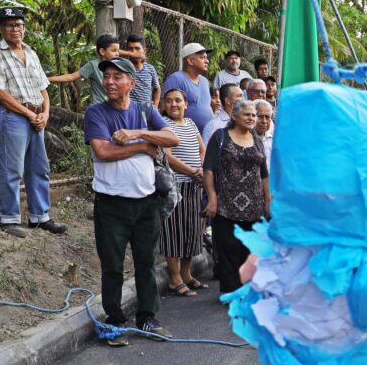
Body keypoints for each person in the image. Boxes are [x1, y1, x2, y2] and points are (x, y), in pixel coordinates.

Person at [84, 57, 180, 345]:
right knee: (112, 265)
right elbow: (103, 151)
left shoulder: (144, 110)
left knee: (146, 263)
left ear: (131, 83)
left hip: (147, 202)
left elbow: (171, 138)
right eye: (107, 77)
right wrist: (143, 147)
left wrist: (137, 133)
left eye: (117, 76)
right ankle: (115, 321)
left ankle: (147, 317)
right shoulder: (96, 112)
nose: (110, 82)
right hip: (111, 204)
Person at [0, 7, 65, 238]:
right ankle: (8, 218)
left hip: (37, 117)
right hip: (13, 117)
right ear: (0, 29)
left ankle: (40, 216)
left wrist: (45, 114)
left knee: (39, 168)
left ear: (24, 28)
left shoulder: (30, 52)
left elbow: (43, 88)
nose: (15, 29)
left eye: (19, 25)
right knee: (12, 170)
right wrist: (30, 114)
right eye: (9, 25)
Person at [202, 99, 270, 295]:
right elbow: (208, 169)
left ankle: (246, 290)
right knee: (228, 251)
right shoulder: (220, 137)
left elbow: (263, 174)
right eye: (247, 114)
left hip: (254, 208)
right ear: (234, 116)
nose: (252, 118)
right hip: (226, 206)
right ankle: (231, 292)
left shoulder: (257, 140)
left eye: (254, 115)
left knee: (249, 251)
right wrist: (212, 198)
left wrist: (268, 200)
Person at [159, 87, 206, 297]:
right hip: (174, 186)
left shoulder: (191, 123)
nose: (173, 104)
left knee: (191, 230)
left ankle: (187, 274)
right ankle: (174, 278)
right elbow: (167, 157)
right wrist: (192, 171)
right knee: (173, 231)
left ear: (186, 104)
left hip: (194, 185)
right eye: (169, 100)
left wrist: (201, 169)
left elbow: (202, 149)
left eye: (178, 100)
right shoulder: (163, 125)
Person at [49, 34, 119, 106]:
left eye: (118, 51)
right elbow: (71, 77)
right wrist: (48, 79)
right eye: (114, 51)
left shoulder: (120, 66)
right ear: (102, 51)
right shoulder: (93, 65)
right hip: (98, 107)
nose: (117, 54)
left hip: (115, 106)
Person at [162, 43, 214, 136]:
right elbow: (164, 107)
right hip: (184, 136)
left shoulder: (205, 81)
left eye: (206, 57)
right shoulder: (176, 79)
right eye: (202, 58)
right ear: (190, 61)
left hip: (207, 135)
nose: (207, 61)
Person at [124, 33, 159, 110]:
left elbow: (157, 88)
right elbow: (112, 52)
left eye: (137, 48)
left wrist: (155, 106)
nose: (134, 52)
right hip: (129, 110)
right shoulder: (124, 68)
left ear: (144, 51)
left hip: (146, 110)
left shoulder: (150, 69)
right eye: (130, 49)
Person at [254, 98, 274, 163]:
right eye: (260, 116)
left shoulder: (275, 139)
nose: (264, 121)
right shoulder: (244, 138)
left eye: (267, 117)